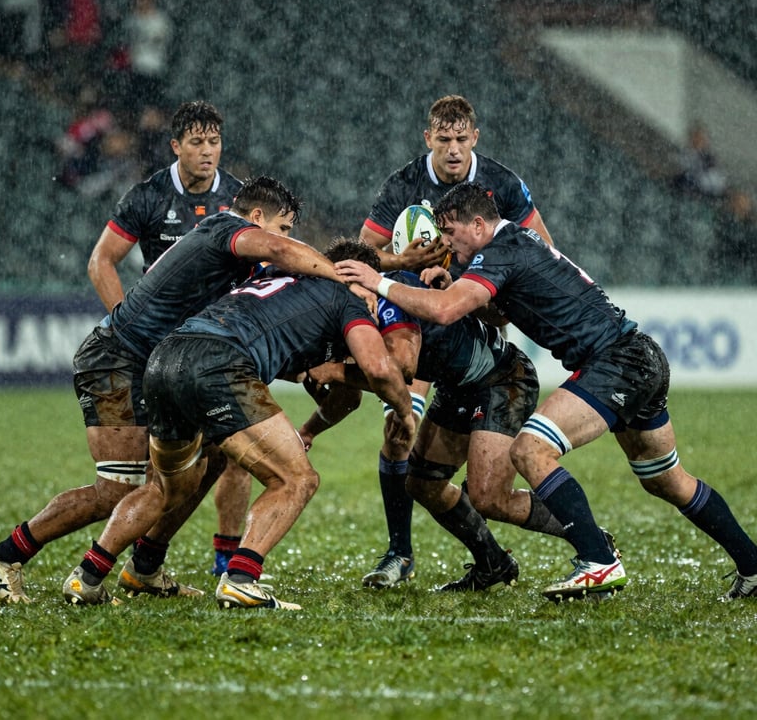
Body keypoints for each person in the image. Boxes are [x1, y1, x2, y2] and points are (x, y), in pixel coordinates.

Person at [337, 181, 757, 602]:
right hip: (638, 357)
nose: (447, 244)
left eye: (450, 234)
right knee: (668, 481)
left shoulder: (500, 250)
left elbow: (445, 312)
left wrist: (379, 281)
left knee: (531, 450)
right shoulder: (516, 245)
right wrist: (453, 282)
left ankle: (598, 560)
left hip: (616, 362)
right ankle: (753, 566)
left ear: (478, 224)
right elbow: (493, 311)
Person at [0, 175, 345, 605]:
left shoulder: (240, 263)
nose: (288, 239)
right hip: (118, 360)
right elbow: (280, 250)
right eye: (284, 227)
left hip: (159, 362)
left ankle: (145, 567)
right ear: (256, 218)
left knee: (211, 457)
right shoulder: (227, 229)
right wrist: (343, 278)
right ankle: (5, 555)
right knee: (118, 489)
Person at [61, 240, 416, 609]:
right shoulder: (347, 298)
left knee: (168, 486)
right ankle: (241, 579)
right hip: (220, 365)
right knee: (296, 479)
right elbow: (379, 369)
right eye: (374, 286)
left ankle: (91, 575)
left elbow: (302, 364)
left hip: (166, 359)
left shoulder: (278, 278)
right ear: (360, 277)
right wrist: (405, 413)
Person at [356, 94, 553, 588]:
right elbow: (364, 250)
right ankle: (399, 553)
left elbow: (543, 249)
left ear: (475, 139)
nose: (452, 149)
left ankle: (546, 543)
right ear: (428, 139)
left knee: (461, 472)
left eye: (461, 139)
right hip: (413, 323)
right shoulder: (403, 184)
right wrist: (393, 276)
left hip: (470, 317)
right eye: (443, 139)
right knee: (399, 430)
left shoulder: (502, 184)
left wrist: (490, 290)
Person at [301, 266, 595, 592]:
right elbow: (346, 393)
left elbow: (402, 366)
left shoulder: (389, 296)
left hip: (502, 380)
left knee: (489, 498)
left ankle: (588, 537)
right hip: (458, 387)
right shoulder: (346, 310)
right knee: (423, 484)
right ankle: (492, 563)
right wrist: (309, 430)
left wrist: (342, 374)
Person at [87, 100, 251, 578]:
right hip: (159, 346)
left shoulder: (239, 200)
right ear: (175, 146)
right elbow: (102, 261)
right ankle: (136, 559)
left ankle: (224, 560)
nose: (207, 152)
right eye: (196, 142)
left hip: (216, 343)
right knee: (162, 470)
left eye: (214, 142)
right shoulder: (148, 197)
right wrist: (126, 326)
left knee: (235, 451)